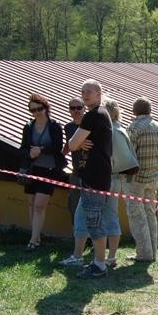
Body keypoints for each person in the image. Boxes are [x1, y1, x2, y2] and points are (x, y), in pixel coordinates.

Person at [68, 79, 114, 278]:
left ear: (99, 94)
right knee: (91, 217)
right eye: (82, 91)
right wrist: (81, 142)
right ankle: (91, 259)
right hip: (97, 176)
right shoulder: (102, 114)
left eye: (90, 92)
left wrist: (79, 142)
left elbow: (71, 144)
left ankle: (99, 264)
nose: (85, 95)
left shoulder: (93, 115)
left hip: (95, 177)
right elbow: (76, 144)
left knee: (95, 221)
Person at [125, 97, 158, 262]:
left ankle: (143, 253)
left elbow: (128, 155)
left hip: (136, 178)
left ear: (134, 111)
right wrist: (156, 169)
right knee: (150, 213)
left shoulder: (134, 127)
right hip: (153, 176)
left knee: (136, 215)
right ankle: (152, 251)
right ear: (150, 110)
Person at [19, 93, 65, 251]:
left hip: (49, 170)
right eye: (32, 110)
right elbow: (23, 148)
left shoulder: (54, 126)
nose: (36, 113)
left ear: (46, 108)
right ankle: (36, 237)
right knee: (32, 204)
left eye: (39, 109)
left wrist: (42, 150)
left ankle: (32, 241)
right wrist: (30, 153)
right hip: (31, 169)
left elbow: (58, 147)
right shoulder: (28, 126)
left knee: (39, 206)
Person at [60, 97, 91, 266]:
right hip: (76, 173)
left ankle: (94, 242)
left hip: (91, 174)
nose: (76, 110)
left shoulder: (91, 124)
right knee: (74, 205)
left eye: (79, 107)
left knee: (92, 208)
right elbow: (69, 146)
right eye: (73, 108)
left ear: (84, 109)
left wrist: (76, 144)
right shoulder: (69, 127)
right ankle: (79, 242)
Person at [99, 98, 128, 268]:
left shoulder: (107, 131)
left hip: (105, 177)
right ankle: (112, 255)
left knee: (101, 216)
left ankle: (101, 256)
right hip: (118, 178)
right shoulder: (122, 130)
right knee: (112, 214)